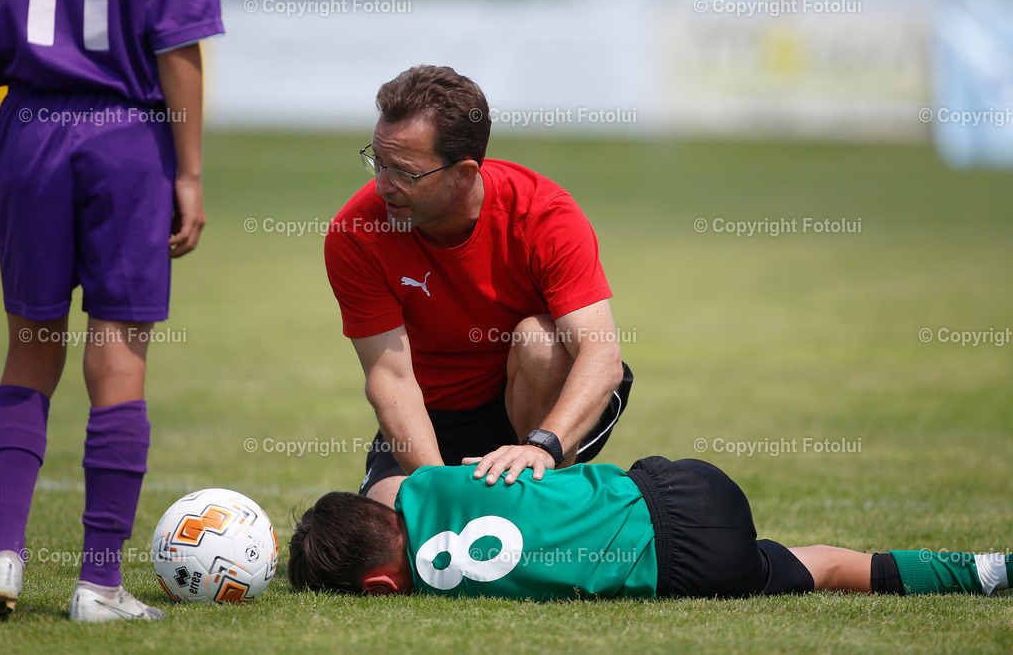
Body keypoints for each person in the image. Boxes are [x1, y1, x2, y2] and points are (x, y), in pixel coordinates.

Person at [0, 0, 223, 621]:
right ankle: (98, 583)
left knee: (28, 351)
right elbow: (177, 47)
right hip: (124, 137)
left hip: (25, 131)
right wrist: (190, 172)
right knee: (118, 355)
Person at [324, 65, 632, 507]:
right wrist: (439, 492)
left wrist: (539, 447)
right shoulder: (356, 232)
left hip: (535, 412)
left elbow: (601, 357)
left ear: (464, 173)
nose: (382, 185)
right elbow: (391, 379)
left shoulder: (544, 215)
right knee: (391, 528)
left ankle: (545, 500)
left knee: (540, 341)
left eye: (405, 173)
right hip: (431, 418)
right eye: (378, 160)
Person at [287, 456, 1011, 600]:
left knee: (819, 564)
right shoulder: (430, 484)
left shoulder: (432, 592)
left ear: (383, 584)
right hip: (679, 488)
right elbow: (396, 480)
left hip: (694, 567)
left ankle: (980, 570)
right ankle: (994, 568)